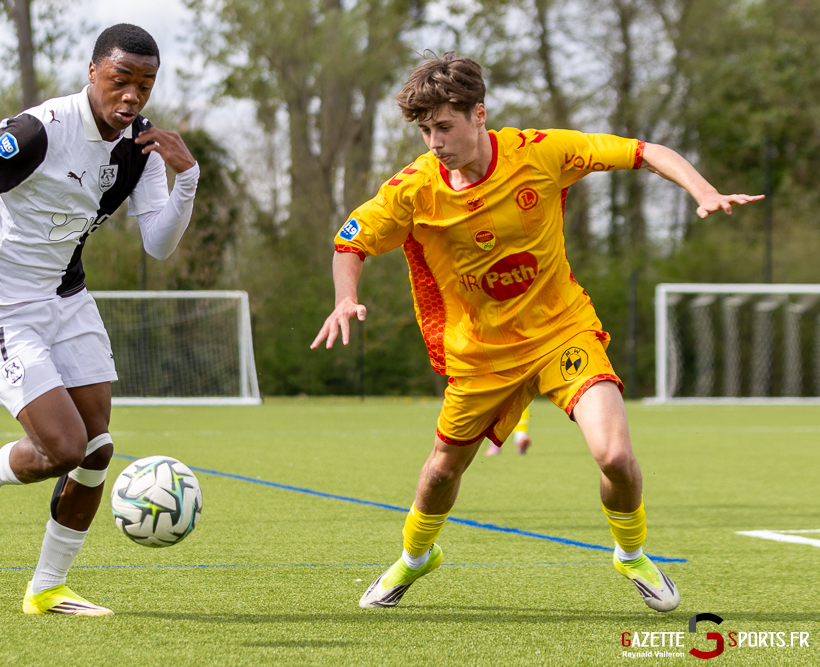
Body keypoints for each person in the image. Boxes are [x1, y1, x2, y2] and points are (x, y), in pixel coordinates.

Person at [311, 52, 762, 612]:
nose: (434, 142)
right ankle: (416, 557)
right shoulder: (414, 188)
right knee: (440, 471)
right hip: (480, 353)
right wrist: (345, 297)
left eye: (444, 126)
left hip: (562, 332)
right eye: (426, 130)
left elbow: (647, 152)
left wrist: (702, 190)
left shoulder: (541, 152)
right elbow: (348, 241)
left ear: (480, 114)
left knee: (616, 457)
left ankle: (631, 553)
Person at [0, 24, 200, 616]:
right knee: (63, 447)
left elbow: (158, 243)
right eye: (120, 80)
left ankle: (46, 589)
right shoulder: (41, 129)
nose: (131, 96)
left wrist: (189, 177)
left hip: (68, 298)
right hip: (1, 303)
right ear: (92, 72)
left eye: (144, 85)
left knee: (98, 448)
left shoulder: (142, 148)